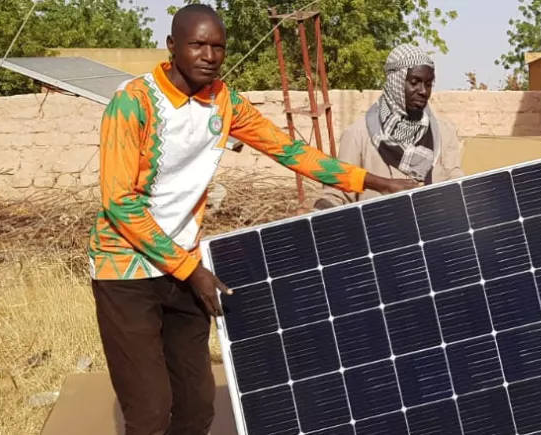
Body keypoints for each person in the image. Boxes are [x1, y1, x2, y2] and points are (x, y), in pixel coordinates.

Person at [87, 5, 416, 434]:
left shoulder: (223, 102)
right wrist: (192, 270)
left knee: (196, 407)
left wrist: (374, 181)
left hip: (183, 268)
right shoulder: (132, 103)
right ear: (172, 47)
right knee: (150, 410)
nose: (209, 55)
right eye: (197, 44)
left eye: (218, 47)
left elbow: (291, 151)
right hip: (126, 271)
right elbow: (119, 203)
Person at [314, 44, 464, 208]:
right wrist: (318, 215)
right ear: (396, 83)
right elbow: (337, 193)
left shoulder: (443, 133)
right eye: (415, 82)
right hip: (377, 230)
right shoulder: (358, 135)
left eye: (428, 84)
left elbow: (455, 181)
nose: (423, 91)